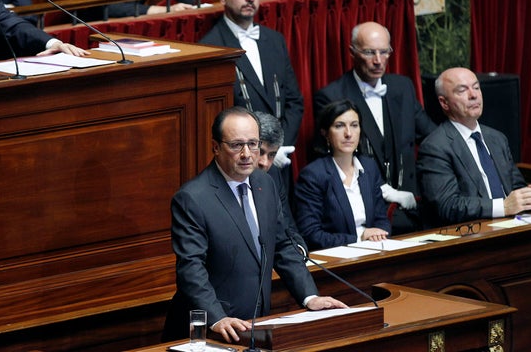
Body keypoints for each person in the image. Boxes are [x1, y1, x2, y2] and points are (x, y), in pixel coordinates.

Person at [163, 107, 346, 344]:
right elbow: (190, 269)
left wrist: (309, 297)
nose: (247, 154)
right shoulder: (193, 198)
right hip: (210, 331)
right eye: (237, 145)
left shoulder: (264, 184)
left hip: (256, 326)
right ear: (216, 147)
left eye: (253, 143)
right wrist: (217, 318)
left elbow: (282, 246)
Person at [313, 21, 436, 234]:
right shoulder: (332, 96)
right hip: (367, 213)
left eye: (384, 52)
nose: (378, 60)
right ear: (352, 53)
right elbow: (329, 157)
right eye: (369, 52)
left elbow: (431, 136)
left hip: (411, 206)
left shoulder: (403, 87)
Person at [199, 0, 303, 172]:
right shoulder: (210, 47)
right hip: (239, 164)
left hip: (280, 160)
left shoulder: (274, 40)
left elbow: (294, 102)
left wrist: (276, 148)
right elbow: (216, 115)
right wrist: (257, 152)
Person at [417, 67, 531, 226]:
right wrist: (504, 207)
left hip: (512, 227)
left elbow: (516, 186)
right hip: (472, 236)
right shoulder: (435, 147)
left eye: (477, 87)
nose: (474, 95)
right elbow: (447, 205)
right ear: (444, 102)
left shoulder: (497, 138)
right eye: (462, 90)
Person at [295, 100, 390, 250]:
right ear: (325, 133)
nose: (348, 133)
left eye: (354, 125)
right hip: (337, 257)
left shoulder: (369, 167)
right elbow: (310, 234)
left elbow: (381, 219)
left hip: (375, 249)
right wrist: (360, 238)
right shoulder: (313, 175)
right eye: (339, 126)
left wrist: (379, 234)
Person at [255, 111, 306, 251]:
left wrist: (299, 251)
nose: (264, 163)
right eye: (260, 152)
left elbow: (288, 226)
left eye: (272, 155)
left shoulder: (273, 174)